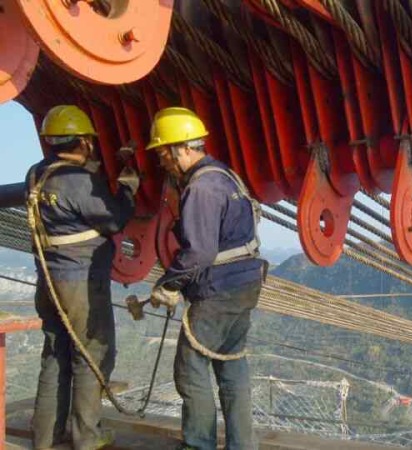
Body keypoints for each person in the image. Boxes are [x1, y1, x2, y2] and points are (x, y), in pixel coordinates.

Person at [145, 107, 264, 450]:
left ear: (180, 148)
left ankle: (198, 444)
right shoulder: (226, 176)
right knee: (230, 362)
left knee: (190, 367)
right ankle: (243, 445)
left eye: (163, 154)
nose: (162, 163)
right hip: (245, 283)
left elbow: (198, 252)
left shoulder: (200, 188)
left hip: (218, 290)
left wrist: (169, 284)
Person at [27, 105, 140, 450]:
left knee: (55, 355)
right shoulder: (79, 181)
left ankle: (45, 438)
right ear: (84, 142)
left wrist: (93, 176)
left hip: (49, 281)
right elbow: (113, 220)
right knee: (92, 356)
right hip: (80, 283)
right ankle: (87, 438)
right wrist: (127, 189)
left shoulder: (36, 174)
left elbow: (69, 201)